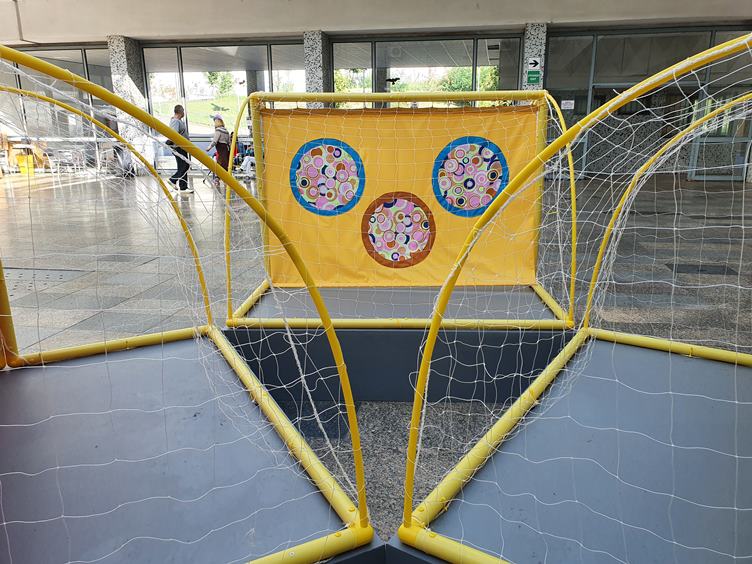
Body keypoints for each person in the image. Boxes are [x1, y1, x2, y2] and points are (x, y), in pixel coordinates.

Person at [168, 104, 192, 193]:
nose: (184, 113)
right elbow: (174, 134)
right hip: (179, 147)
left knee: (183, 166)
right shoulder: (175, 121)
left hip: (182, 147)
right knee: (184, 166)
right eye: (183, 111)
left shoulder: (178, 121)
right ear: (180, 111)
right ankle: (173, 180)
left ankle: (183, 187)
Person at [207, 115, 231, 186]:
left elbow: (215, 141)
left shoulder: (218, 130)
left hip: (220, 149)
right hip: (226, 149)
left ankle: (217, 179)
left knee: (219, 164)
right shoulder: (226, 131)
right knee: (225, 164)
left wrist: (209, 147)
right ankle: (226, 179)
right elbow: (229, 142)